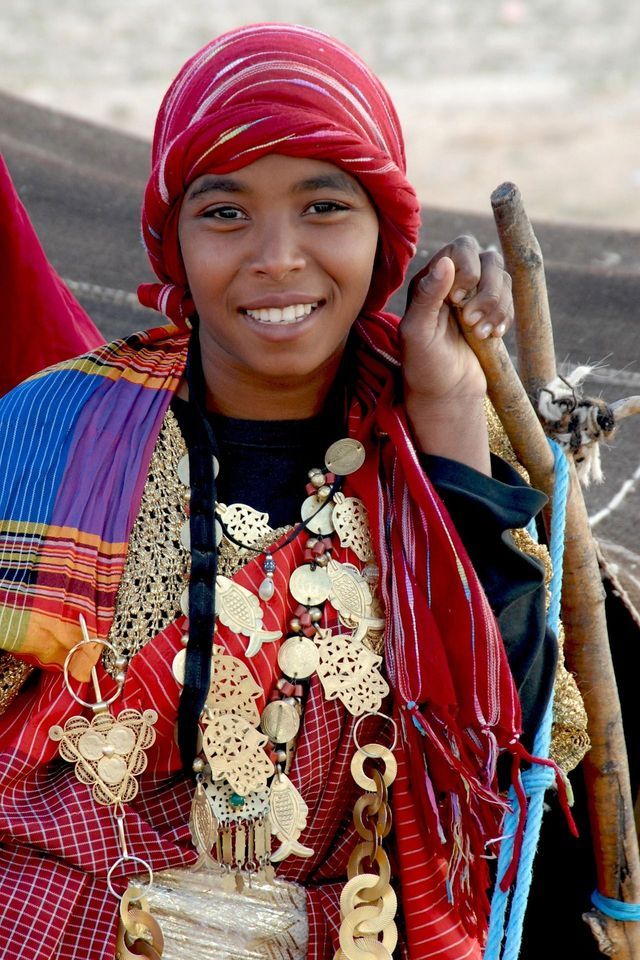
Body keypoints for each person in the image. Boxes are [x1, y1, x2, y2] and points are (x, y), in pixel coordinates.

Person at [0, 23, 558, 960]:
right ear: (171, 238)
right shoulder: (51, 431)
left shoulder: (435, 451)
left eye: (325, 206)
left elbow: (502, 748)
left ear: (388, 234)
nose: (277, 256)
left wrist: (453, 401)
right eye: (224, 212)